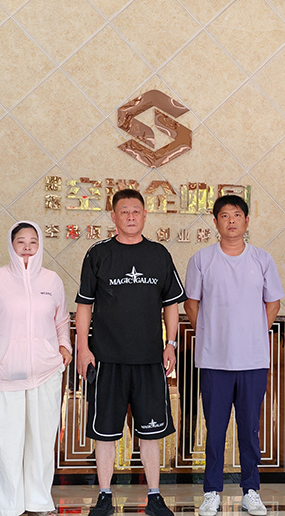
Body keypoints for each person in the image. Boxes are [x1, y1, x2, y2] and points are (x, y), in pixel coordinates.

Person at [75, 189, 186, 516]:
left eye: (136, 211)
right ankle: (104, 495)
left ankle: (154, 496)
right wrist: (83, 348)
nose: (130, 217)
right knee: (105, 434)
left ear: (145, 215)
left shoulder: (158, 254)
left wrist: (170, 344)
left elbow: (171, 305)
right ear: (113, 216)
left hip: (149, 359)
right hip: (107, 359)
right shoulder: (98, 254)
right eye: (124, 211)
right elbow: (84, 305)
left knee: (150, 433)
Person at [183, 195, 282, 516]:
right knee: (215, 429)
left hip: (253, 360)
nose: (231, 221)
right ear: (215, 222)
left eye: (237, 215)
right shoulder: (202, 259)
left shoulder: (262, 259)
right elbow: (191, 303)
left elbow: (273, 303)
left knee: (249, 428)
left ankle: (251, 490)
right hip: (215, 360)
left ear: (247, 221)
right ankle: (211, 491)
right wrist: (209, 333)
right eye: (224, 216)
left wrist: (254, 332)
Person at [0, 221, 72, 516]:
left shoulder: (52, 280)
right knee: (6, 443)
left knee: (41, 441)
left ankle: (39, 502)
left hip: (45, 372)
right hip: (3, 375)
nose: (27, 248)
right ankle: (10, 506)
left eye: (33, 242)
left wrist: (64, 347)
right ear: (11, 245)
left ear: (40, 246)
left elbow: (61, 319)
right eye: (21, 242)